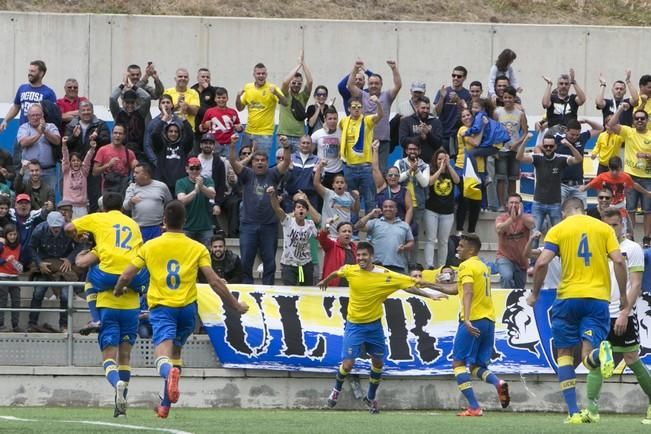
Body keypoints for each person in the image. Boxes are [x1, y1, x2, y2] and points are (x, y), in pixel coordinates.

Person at [114, 200, 248, 418]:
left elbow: (126, 275)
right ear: (184, 221)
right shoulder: (197, 248)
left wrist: (119, 289)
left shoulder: (150, 246)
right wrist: (235, 306)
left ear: (164, 221)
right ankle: (165, 406)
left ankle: (170, 373)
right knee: (175, 354)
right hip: (187, 311)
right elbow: (214, 281)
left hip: (163, 308)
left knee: (162, 358)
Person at [528, 197, 628, 424]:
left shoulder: (558, 229)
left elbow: (542, 263)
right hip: (597, 300)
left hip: (567, 299)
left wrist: (534, 294)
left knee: (564, 354)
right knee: (586, 357)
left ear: (564, 213)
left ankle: (573, 412)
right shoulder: (603, 229)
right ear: (582, 210)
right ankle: (600, 353)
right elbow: (619, 262)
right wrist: (622, 296)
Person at [318, 241, 431, 413]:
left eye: (364, 255)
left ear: (371, 256)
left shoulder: (384, 274)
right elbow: (337, 272)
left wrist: (429, 295)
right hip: (354, 325)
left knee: (378, 362)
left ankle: (370, 398)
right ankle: (336, 390)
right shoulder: (350, 269)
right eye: (359, 255)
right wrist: (325, 280)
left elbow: (409, 286)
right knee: (347, 365)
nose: (361, 258)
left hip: (374, 326)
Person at [64, 192, 150, 416]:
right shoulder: (132, 223)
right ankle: (120, 404)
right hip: (131, 301)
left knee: (91, 277)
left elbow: (70, 232)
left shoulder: (99, 220)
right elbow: (140, 253)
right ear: (122, 207)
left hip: (108, 305)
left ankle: (95, 319)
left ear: (103, 208)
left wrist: (78, 237)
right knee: (125, 357)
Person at [422, 233, 510, 416]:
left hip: (473, 320)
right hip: (489, 320)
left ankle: (474, 407)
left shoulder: (466, 265)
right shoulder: (482, 266)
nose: (457, 249)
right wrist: (429, 285)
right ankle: (498, 383)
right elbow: (457, 289)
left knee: (458, 363)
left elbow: (467, 291)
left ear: (470, 249)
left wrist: (467, 319)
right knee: (477, 366)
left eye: (461, 246)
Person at [580, 207, 651, 423]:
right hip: (599, 313)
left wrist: (624, 312)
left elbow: (636, 283)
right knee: (595, 359)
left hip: (622, 314)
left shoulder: (632, 249)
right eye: (607, 225)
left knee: (631, 358)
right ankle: (591, 410)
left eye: (615, 225)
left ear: (623, 225)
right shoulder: (596, 247)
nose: (611, 229)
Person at [229, 133, 291, 284]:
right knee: (246, 263)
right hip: (248, 225)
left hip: (269, 225)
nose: (260, 163)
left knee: (269, 263)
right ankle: (247, 291)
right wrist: (232, 145)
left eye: (263, 160)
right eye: (257, 160)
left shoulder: (273, 173)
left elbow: (287, 162)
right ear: (252, 162)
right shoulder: (247, 174)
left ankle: (268, 291)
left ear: (267, 162)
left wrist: (286, 147)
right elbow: (232, 161)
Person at [516, 133, 582, 234]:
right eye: (545, 146)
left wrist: (569, 145)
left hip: (555, 204)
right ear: (542, 146)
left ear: (555, 147)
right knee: (535, 235)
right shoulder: (537, 158)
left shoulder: (561, 159)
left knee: (558, 234)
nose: (548, 148)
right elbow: (519, 157)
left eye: (551, 146)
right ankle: (535, 249)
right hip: (538, 203)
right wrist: (525, 141)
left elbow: (578, 159)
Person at [28, 211, 82, 333]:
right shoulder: (39, 230)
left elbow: (80, 245)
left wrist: (70, 258)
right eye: (54, 227)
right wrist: (39, 262)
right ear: (48, 225)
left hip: (62, 265)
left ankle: (64, 325)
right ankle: (32, 323)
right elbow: (30, 247)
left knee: (64, 295)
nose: (56, 229)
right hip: (45, 263)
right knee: (38, 292)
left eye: (58, 227)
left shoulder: (69, 229)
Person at [347, 59, 401, 174]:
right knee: (366, 171)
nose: (374, 85)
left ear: (381, 85)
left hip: (383, 141)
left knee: (381, 170)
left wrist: (394, 68)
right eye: (371, 83)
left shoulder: (387, 96)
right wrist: (356, 69)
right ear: (367, 85)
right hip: (366, 140)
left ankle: (380, 192)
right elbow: (350, 85)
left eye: (376, 83)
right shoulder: (362, 95)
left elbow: (398, 85)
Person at [608, 103, 651, 237]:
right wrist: (621, 109)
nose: (639, 120)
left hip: (648, 177)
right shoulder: (628, 131)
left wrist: (646, 155)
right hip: (630, 176)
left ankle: (647, 239)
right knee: (630, 209)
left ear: (647, 120)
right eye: (637, 118)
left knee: (648, 211)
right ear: (633, 121)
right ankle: (630, 237)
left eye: (642, 118)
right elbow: (611, 125)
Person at [339, 96, 383, 214]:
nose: (356, 109)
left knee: (370, 200)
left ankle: (370, 230)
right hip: (349, 167)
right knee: (350, 201)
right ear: (349, 109)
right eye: (353, 107)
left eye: (359, 107)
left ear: (362, 108)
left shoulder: (367, 120)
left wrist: (378, 103)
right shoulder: (344, 121)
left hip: (365, 168)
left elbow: (380, 115)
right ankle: (351, 230)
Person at [268, 187, 319, 286]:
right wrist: (272, 196)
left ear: (306, 212)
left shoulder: (310, 224)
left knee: (303, 290)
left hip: (303, 265)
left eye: (303, 208)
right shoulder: (288, 221)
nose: (301, 209)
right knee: (290, 290)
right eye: (298, 207)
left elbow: (319, 237)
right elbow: (277, 208)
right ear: (294, 211)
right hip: (289, 265)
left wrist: (326, 228)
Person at [236, 63, 288, 155]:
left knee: (261, 163)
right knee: (244, 163)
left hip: (265, 134)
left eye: (263, 73)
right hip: (248, 132)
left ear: (266, 75)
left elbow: (285, 103)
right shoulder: (248, 87)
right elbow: (240, 108)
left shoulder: (272, 88)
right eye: (258, 73)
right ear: (254, 75)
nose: (261, 76)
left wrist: (276, 93)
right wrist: (238, 96)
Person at [355, 200, 413, 274]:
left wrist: (405, 247)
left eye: (391, 207)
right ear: (382, 209)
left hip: (398, 266)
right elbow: (357, 226)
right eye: (385, 207)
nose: (388, 209)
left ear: (396, 209)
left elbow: (411, 242)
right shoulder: (375, 222)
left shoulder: (404, 225)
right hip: (377, 266)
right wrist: (370, 214)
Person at [424, 149, 459, 268]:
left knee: (443, 241)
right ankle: (429, 265)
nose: (442, 161)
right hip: (431, 210)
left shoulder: (450, 171)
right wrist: (440, 169)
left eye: (444, 158)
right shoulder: (431, 170)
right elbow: (430, 182)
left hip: (447, 212)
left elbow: (457, 180)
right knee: (430, 239)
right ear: (435, 160)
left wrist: (448, 165)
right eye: (439, 159)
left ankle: (441, 266)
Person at [0, 60, 56, 131]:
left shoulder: (49, 93)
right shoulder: (22, 88)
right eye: (29, 71)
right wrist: (5, 120)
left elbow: (53, 114)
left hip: (40, 133)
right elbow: (16, 107)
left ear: (41, 73)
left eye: (33, 71)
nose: (29, 73)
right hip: (23, 131)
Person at [123, 163, 173, 242]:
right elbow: (125, 206)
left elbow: (170, 204)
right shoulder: (132, 187)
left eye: (137, 173)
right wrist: (131, 201)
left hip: (157, 227)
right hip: (138, 228)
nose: (134, 175)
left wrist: (166, 224)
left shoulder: (161, 186)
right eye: (134, 172)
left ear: (146, 175)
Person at [16, 104, 61, 189]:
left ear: (42, 115)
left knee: (49, 198)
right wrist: (39, 133)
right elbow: (23, 142)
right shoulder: (24, 127)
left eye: (38, 115)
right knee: (28, 198)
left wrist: (45, 131)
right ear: (28, 117)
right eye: (33, 115)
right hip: (29, 171)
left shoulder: (51, 126)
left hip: (49, 170)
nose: (35, 117)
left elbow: (57, 141)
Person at [495, 194, 534, 289]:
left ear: (521, 205)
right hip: (504, 257)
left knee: (519, 289)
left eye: (516, 203)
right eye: (511, 202)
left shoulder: (526, 217)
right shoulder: (501, 218)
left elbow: (532, 225)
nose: (513, 205)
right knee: (506, 277)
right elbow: (499, 229)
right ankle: (505, 300)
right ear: (507, 205)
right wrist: (511, 219)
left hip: (521, 260)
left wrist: (520, 216)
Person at [175, 157, 216, 247]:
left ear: (201, 169)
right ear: (187, 169)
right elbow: (181, 201)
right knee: (186, 255)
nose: (195, 171)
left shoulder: (207, 180)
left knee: (207, 254)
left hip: (205, 226)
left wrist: (201, 187)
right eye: (192, 168)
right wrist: (195, 192)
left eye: (197, 168)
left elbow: (212, 194)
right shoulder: (181, 182)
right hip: (187, 226)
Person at [278, 52, 313, 151]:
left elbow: (310, 82)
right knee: (283, 163)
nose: (296, 85)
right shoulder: (285, 94)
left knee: (298, 164)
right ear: (290, 83)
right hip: (284, 135)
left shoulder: (303, 96)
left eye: (299, 83)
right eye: (293, 82)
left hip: (299, 136)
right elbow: (285, 82)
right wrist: (298, 66)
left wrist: (303, 64)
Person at [313, 161, 359, 238]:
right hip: (330, 234)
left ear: (346, 185)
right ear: (333, 185)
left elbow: (355, 210)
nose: (339, 184)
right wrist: (320, 167)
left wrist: (357, 199)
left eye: (342, 182)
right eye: (337, 182)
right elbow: (316, 183)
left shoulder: (349, 196)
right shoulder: (328, 194)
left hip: (344, 235)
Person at [434, 66, 471, 156]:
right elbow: (437, 113)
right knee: (441, 162)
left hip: (459, 134)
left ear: (464, 78)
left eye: (459, 76)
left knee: (460, 163)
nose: (455, 78)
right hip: (443, 134)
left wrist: (458, 100)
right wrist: (442, 98)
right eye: (453, 75)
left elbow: (468, 115)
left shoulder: (467, 94)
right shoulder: (442, 91)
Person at [92, 124, 138, 195]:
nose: (117, 135)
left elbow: (136, 174)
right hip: (108, 189)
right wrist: (108, 165)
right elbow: (95, 172)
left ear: (124, 136)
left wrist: (136, 167)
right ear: (112, 134)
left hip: (123, 189)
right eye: (115, 133)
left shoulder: (129, 153)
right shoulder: (103, 150)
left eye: (120, 133)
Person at [398, 96, 443, 165]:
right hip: (410, 163)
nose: (425, 110)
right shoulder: (406, 121)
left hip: (430, 164)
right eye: (423, 108)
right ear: (416, 108)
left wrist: (428, 133)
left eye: (428, 108)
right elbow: (403, 141)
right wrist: (420, 137)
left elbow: (439, 143)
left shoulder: (436, 122)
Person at [200, 87, 243, 157]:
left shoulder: (233, 112)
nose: (221, 100)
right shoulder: (209, 111)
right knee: (214, 165)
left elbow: (238, 126)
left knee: (230, 165)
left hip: (229, 144)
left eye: (223, 98)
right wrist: (205, 126)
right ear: (215, 99)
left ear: (227, 98)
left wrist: (240, 128)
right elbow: (201, 128)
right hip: (214, 144)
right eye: (219, 98)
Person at [61, 134, 96, 218]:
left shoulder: (84, 171)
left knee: (82, 230)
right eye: (73, 160)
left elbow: (87, 159)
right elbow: (65, 158)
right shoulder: (66, 171)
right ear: (70, 162)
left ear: (81, 162)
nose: (75, 162)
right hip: (68, 207)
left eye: (78, 160)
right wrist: (64, 145)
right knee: (68, 229)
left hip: (82, 207)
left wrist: (92, 149)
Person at [317, 220, 357, 286]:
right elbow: (322, 237)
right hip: (333, 289)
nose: (347, 233)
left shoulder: (355, 248)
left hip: (351, 288)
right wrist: (327, 225)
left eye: (349, 231)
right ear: (338, 234)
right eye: (344, 231)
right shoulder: (331, 246)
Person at [311, 107, 342, 189]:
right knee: (321, 200)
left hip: (337, 172)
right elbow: (309, 153)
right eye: (330, 119)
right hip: (322, 172)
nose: (332, 121)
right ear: (325, 119)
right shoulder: (317, 134)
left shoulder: (342, 132)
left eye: (335, 118)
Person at [0, 224, 23, 332]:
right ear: (6, 235)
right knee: (2, 301)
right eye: (10, 234)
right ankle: (1, 325)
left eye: (14, 234)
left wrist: (19, 266)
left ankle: (15, 325)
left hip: (15, 277)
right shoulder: (1, 245)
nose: (13, 237)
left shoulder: (19, 246)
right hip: (2, 277)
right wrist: (5, 260)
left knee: (16, 301)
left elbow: (21, 260)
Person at [164, 68, 201, 133]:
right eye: (180, 76)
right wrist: (177, 105)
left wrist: (187, 106)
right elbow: (164, 111)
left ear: (188, 80)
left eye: (185, 77)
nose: (183, 78)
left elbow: (195, 112)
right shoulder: (168, 92)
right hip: (170, 131)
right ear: (175, 79)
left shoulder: (194, 93)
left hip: (188, 130)